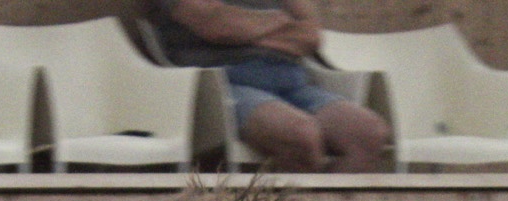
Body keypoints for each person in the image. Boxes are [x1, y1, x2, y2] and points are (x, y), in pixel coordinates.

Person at [151, 0, 390, 172]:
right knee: (301, 136)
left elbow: (311, 35)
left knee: (368, 134)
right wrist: (280, 22)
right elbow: (215, 25)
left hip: (292, 80)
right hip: (223, 82)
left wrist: (247, 29)